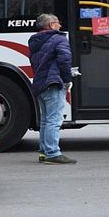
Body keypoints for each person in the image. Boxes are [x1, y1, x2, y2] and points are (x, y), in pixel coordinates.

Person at [29, 13, 77, 164]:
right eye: (57, 22)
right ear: (50, 25)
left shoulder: (34, 40)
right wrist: (67, 80)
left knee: (45, 120)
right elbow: (65, 59)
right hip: (53, 83)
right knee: (54, 120)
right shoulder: (59, 39)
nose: (60, 25)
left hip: (41, 83)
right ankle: (52, 153)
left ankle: (44, 151)